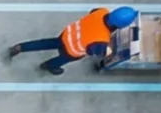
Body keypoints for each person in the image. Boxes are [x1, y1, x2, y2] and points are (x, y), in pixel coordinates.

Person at [9, 6, 137, 75]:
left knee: (45, 43)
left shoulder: (102, 11)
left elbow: (93, 12)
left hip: (66, 35)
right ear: (120, 26)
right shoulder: (102, 39)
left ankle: (21, 47)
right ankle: (48, 66)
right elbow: (93, 52)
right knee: (61, 59)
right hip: (71, 51)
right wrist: (108, 50)